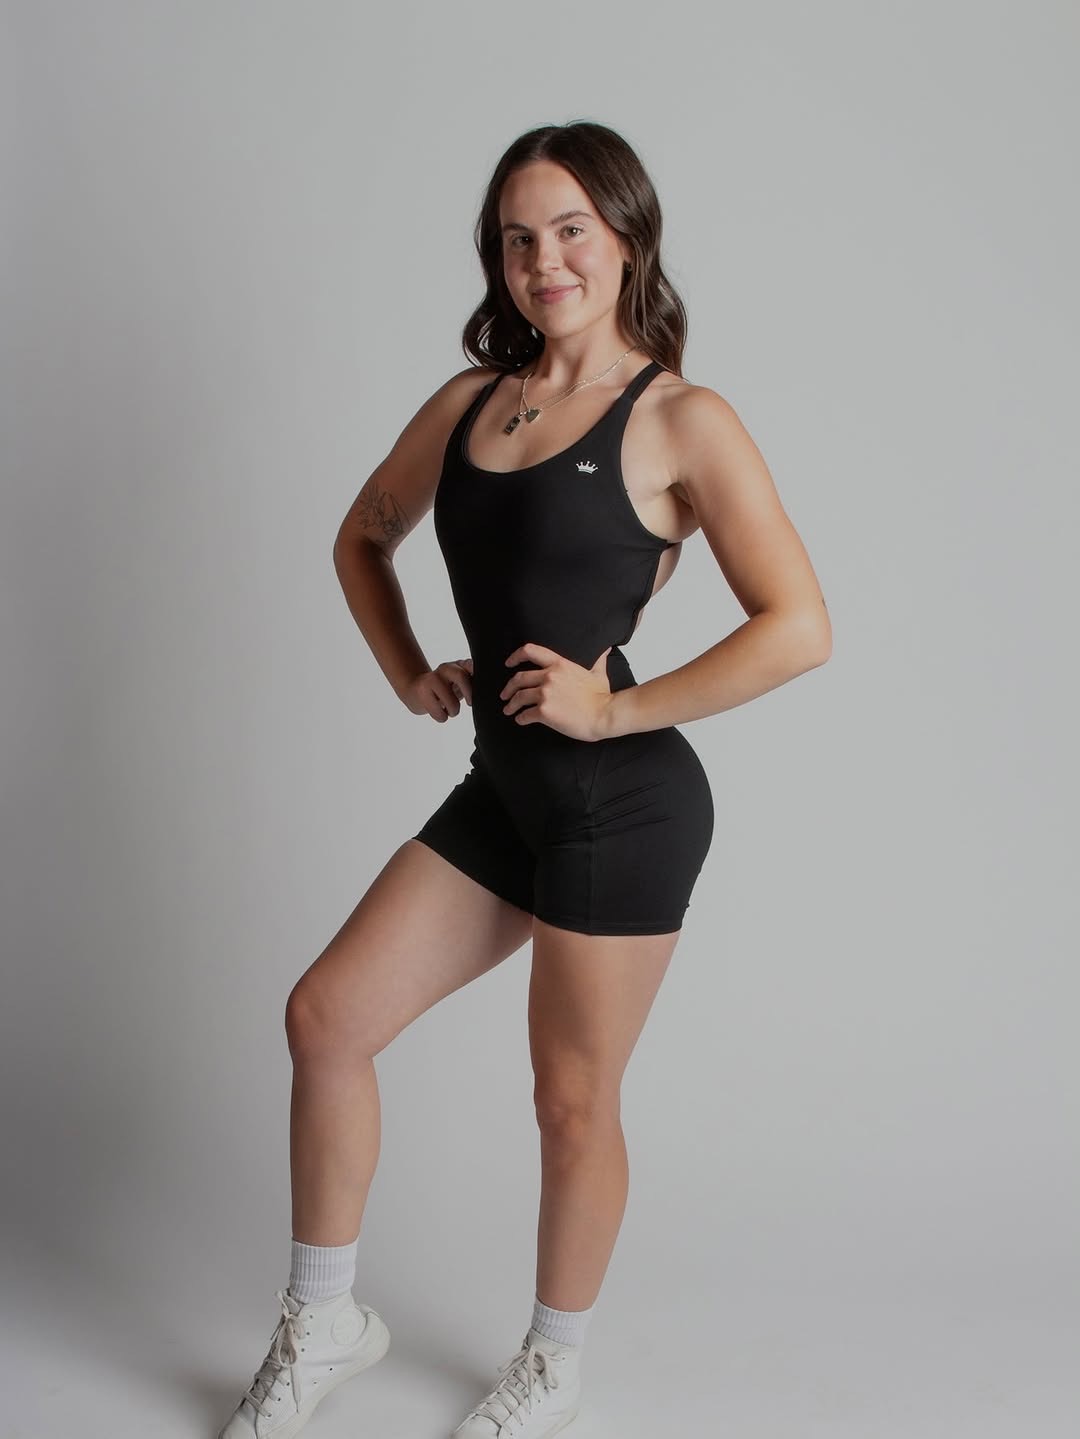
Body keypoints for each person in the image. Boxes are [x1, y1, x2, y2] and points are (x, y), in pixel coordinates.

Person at [216, 119, 831, 1439]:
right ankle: (323, 1323)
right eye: (517, 238)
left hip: (627, 807)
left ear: (627, 239)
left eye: (570, 231)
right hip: (507, 789)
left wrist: (617, 710)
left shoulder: (681, 420)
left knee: (569, 1100)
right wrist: (407, 669)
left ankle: (553, 1361)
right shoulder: (468, 405)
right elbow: (364, 535)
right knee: (327, 1019)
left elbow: (799, 626)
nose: (545, 261)